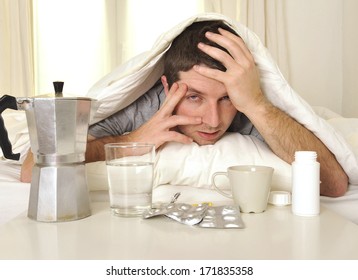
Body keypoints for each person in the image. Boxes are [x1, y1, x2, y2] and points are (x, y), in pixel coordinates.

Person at [21, 20, 348, 197]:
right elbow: (33, 166)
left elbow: (333, 184)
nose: (213, 120)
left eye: (226, 99)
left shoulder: (247, 103)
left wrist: (256, 104)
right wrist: (135, 140)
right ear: (166, 87)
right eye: (194, 97)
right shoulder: (141, 106)